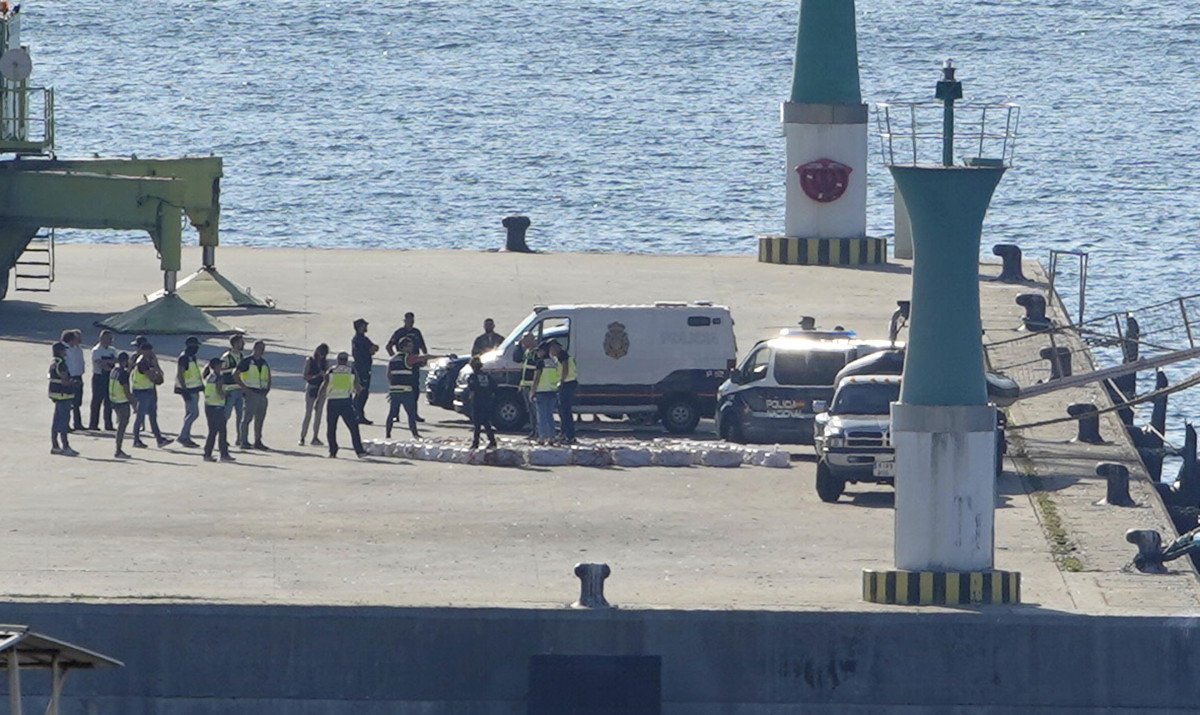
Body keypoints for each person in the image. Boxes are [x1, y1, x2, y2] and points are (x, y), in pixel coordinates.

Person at [385, 336, 438, 439]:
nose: (411, 348)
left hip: (394, 390)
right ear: (403, 347)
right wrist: (443, 356)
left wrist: (392, 387)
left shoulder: (392, 359)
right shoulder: (408, 358)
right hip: (406, 390)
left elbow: (388, 375)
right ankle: (415, 434)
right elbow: (425, 357)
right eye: (409, 346)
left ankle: (388, 434)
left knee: (392, 413)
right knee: (411, 414)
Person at [323, 351, 365, 458]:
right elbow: (358, 387)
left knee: (331, 428)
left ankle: (333, 451)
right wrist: (359, 399)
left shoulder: (331, 370)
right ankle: (359, 451)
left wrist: (319, 400)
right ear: (346, 361)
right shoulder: (351, 371)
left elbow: (324, 385)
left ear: (337, 360)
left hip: (332, 402)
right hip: (346, 402)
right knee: (353, 427)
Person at [386, 312, 427, 422]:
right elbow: (389, 346)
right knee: (399, 390)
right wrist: (395, 359)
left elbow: (423, 346)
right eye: (409, 320)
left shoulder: (416, 332)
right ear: (405, 321)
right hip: (401, 367)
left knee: (415, 389)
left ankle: (414, 413)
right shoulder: (399, 332)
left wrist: (424, 359)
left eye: (412, 321)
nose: (411, 323)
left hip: (414, 365)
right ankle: (395, 414)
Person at [131, 341, 172, 449]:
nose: (150, 353)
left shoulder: (148, 360)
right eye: (148, 351)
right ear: (143, 351)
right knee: (140, 416)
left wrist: (156, 369)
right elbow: (152, 377)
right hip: (142, 391)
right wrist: (157, 375)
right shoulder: (142, 362)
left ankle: (159, 439)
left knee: (153, 416)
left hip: (147, 390)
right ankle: (136, 440)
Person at [238, 340, 272, 449]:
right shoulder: (247, 361)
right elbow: (235, 374)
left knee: (260, 419)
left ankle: (258, 441)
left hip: (262, 394)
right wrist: (244, 388)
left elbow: (268, 376)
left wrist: (268, 388)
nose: (262, 351)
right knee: (247, 418)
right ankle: (243, 441)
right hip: (251, 394)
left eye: (263, 349)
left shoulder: (264, 362)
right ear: (255, 348)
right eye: (260, 348)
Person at [201, 356, 234, 462]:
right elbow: (219, 391)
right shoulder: (219, 377)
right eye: (220, 364)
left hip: (209, 405)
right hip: (217, 406)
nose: (221, 366)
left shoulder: (209, 377)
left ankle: (207, 453)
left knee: (212, 431)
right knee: (222, 431)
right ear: (215, 366)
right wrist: (226, 394)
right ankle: (224, 454)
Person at [48, 341, 78, 456]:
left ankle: (55, 445)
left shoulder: (53, 363)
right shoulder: (62, 364)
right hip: (64, 395)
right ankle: (65, 446)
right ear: (60, 351)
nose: (66, 351)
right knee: (64, 422)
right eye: (64, 350)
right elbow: (65, 381)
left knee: (56, 421)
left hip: (56, 395)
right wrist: (74, 383)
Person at [174, 336, 204, 448]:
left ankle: (186, 436)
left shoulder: (192, 357)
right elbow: (180, 374)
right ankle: (183, 436)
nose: (197, 348)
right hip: (188, 389)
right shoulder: (184, 358)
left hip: (194, 388)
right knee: (193, 413)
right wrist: (184, 390)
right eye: (195, 346)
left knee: (189, 413)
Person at [548, 340, 578, 444]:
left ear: (556, 347)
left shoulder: (562, 355)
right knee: (562, 411)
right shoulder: (560, 356)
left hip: (567, 384)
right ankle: (564, 434)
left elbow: (565, 368)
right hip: (567, 383)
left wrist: (561, 381)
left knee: (565, 411)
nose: (550, 351)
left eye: (551, 349)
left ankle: (569, 436)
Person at [300, 343, 329, 446]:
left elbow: (328, 377)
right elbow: (305, 376)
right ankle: (302, 437)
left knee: (318, 414)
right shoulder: (310, 360)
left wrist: (324, 376)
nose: (322, 355)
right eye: (321, 353)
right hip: (311, 387)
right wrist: (316, 375)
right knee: (308, 413)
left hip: (321, 389)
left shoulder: (325, 362)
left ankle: (315, 437)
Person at [464, 356, 497, 450]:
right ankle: (492, 441)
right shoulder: (486, 375)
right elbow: (494, 386)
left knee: (477, 423)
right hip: (486, 401)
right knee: (486, 422)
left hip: (477, 401)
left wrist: (469, 400)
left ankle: (475, 443)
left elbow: (472, 390)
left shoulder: (473, 376)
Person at [220, 335, 247, 447]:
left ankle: (240, 439)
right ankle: (222, 438)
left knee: (240, 416)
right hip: (229, 390)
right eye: (241, 342)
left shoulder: (241, 356)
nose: (243, 344)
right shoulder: (226, 357)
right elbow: (220, 372)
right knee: (226, 416)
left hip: (240, 389)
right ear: (235, 344)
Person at [88, 329, 117, 431]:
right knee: (96, 401)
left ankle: (108, 425)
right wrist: (109, 362)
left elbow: (116, 360)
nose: (110, 341)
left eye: (111, 339)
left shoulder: (112, 350)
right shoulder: (96, 350)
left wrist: (107, 362)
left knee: (109, 401)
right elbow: (100, 363)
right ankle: (93, 424)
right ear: (102, 338)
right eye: (108, 339)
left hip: (110, 377)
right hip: (99, 377)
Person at [530, 343, 559, 443]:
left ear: (543, 351)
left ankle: (542, 437)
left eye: (539, 351)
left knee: (541, 416)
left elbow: (536, 378)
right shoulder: (553, 362)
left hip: (541, 391)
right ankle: (552, 437)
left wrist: (532, 391)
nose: (537, 353)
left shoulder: (540, 362)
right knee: (549, 416)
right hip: (552, 391)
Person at [351, 318, 378, 424]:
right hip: (361, 368)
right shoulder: (358, 339)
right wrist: (371, 350)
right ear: (360, 327)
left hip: (365, 367)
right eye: (364, 326)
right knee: (362, 392)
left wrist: (372, 349)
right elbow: (370, 349)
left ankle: (357, 413)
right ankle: (358, 414)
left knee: (362, 392)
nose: (366, 327)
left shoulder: (363, 339)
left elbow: (373, 348)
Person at [108, 351, 134, 458]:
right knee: (122, 426)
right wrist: (134, 404)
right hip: (122, 401)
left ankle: (118, 449)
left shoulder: (114, 371)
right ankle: (118, 450)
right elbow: (126, 391)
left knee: (120, 424)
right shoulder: (123, 374)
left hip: (113, 400)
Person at [62, 329, 86, 431]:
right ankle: (65, 424)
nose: (79, 340)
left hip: (78, 376)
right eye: (77, 338)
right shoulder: (64, 349)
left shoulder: (78, 348)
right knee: (69, 402)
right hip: (70, 377)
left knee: (77, 402)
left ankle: (77, 423)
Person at [516, 333, 538, 438]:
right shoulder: (527, 352)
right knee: (530, 410)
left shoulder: (535, 353)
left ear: (531, 340)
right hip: (525, 384)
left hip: (532, 385)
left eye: (525, 340)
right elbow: (524, 368)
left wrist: (534, 385)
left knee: (535, 410)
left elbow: (537, 370)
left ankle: (538, 431)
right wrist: (521, 383)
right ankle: (533, 431)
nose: (523, 343)